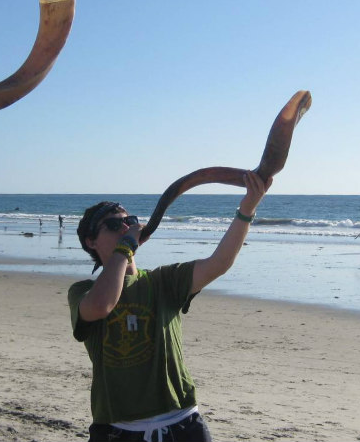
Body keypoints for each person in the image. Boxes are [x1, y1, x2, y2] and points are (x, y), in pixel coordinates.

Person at [68, 171, 271, 442]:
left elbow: (219, 262)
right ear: (91, 242)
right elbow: (102, 305)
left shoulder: (163, 281)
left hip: (183, 423)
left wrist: (247, 209)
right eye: (114, 225)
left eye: (130, 221)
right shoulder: (83, 292)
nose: (126, 228)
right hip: (119, 431)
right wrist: (125, 248)